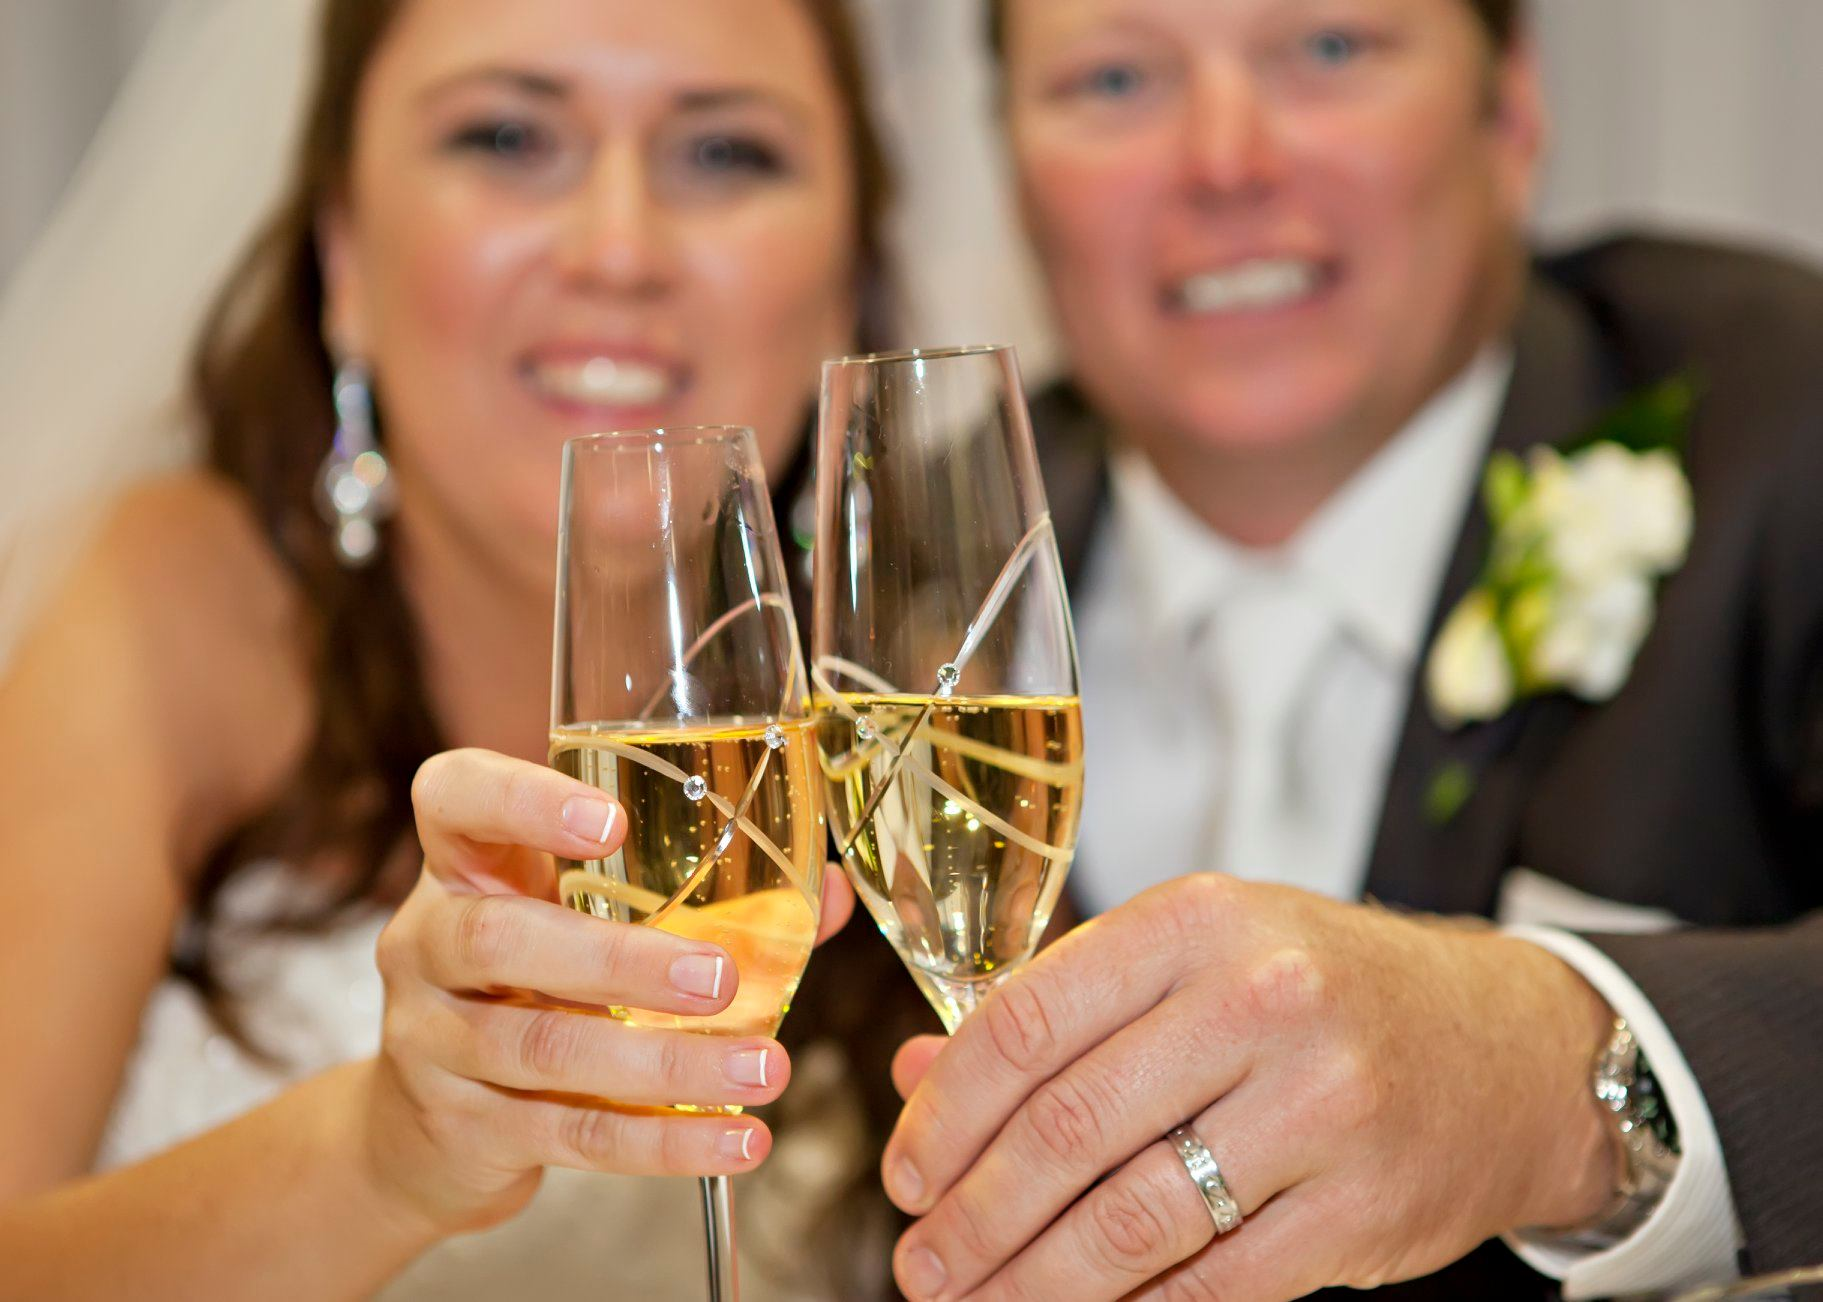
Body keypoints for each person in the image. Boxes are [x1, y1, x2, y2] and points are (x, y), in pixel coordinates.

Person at [879, 1, 1823, 1299]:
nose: (1224, 161)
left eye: (1328, 48)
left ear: (1511, 109)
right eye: (1114, 79)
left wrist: (1551, 1079)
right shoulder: (901, 582)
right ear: (1011, 169)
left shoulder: (1781, 426)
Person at [0, 1, 929, 1296]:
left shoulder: (936, 708)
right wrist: (379, 1156)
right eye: (506, 138)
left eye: (724, 154)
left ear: (847, 275)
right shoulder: (169, 616)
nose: (620, 249)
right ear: (344, 260)